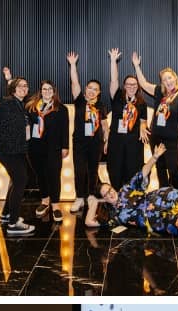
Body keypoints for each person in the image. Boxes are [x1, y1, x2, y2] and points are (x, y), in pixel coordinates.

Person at [132, 52, 178, 189]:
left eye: (170, 78)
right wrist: (137, 66)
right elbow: (143, 83)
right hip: (156, 137)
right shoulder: (160, 91)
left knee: (173, 170)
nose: (168, 81)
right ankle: (163, 198)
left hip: (172, 140)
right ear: (162, 82)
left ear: (175, 78)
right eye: (165, 79)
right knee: (160, 169)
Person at [0, 72, 37, 235]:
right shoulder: (7, 101)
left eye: (25, 86)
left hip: (16, 149)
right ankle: (13, 223)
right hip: (6, 149)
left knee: (17, 179)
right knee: (21, 179)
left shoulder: (20, 104)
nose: (24, 88)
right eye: (20, 86)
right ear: (13, 89)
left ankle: (6, 214)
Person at [66, 51, 108, 218]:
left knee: (93, 170)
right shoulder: (80, 101)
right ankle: (79, 197)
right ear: (86, 89)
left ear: (98, 92)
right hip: (79, 143)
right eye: (89, 88)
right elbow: (74, 82)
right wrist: (73, 65)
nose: (92, 91)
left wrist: (106, 141)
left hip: (96, 143)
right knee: (79, 170)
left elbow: (105, 125)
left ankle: (91, 195)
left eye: (95, 89)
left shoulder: (101, 106)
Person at [25, 80, 69, 220]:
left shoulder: (61, 109)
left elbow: (65, 129)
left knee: (54, 176)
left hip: (54, 148)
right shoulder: (32, 107)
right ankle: (45, 201)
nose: (47, 91)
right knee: (41, 175)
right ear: (40, 91)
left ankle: (55, 204)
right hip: (35, 147)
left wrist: (65, 146)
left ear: (54, 91)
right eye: (44, 89)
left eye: (50, 89)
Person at [106, 48, 148, 191]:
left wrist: (143, 129)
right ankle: (116, 199)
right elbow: (114, 80)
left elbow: (143, 122)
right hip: (116, 141)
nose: (131, 87)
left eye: (134, 85)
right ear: (124, 86)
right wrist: (113, 61)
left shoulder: (141, 103)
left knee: (133, 171)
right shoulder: (117, 97)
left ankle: (131, 199)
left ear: (138, 87)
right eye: (128, 84)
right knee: (115, 170)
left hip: (133, 144)